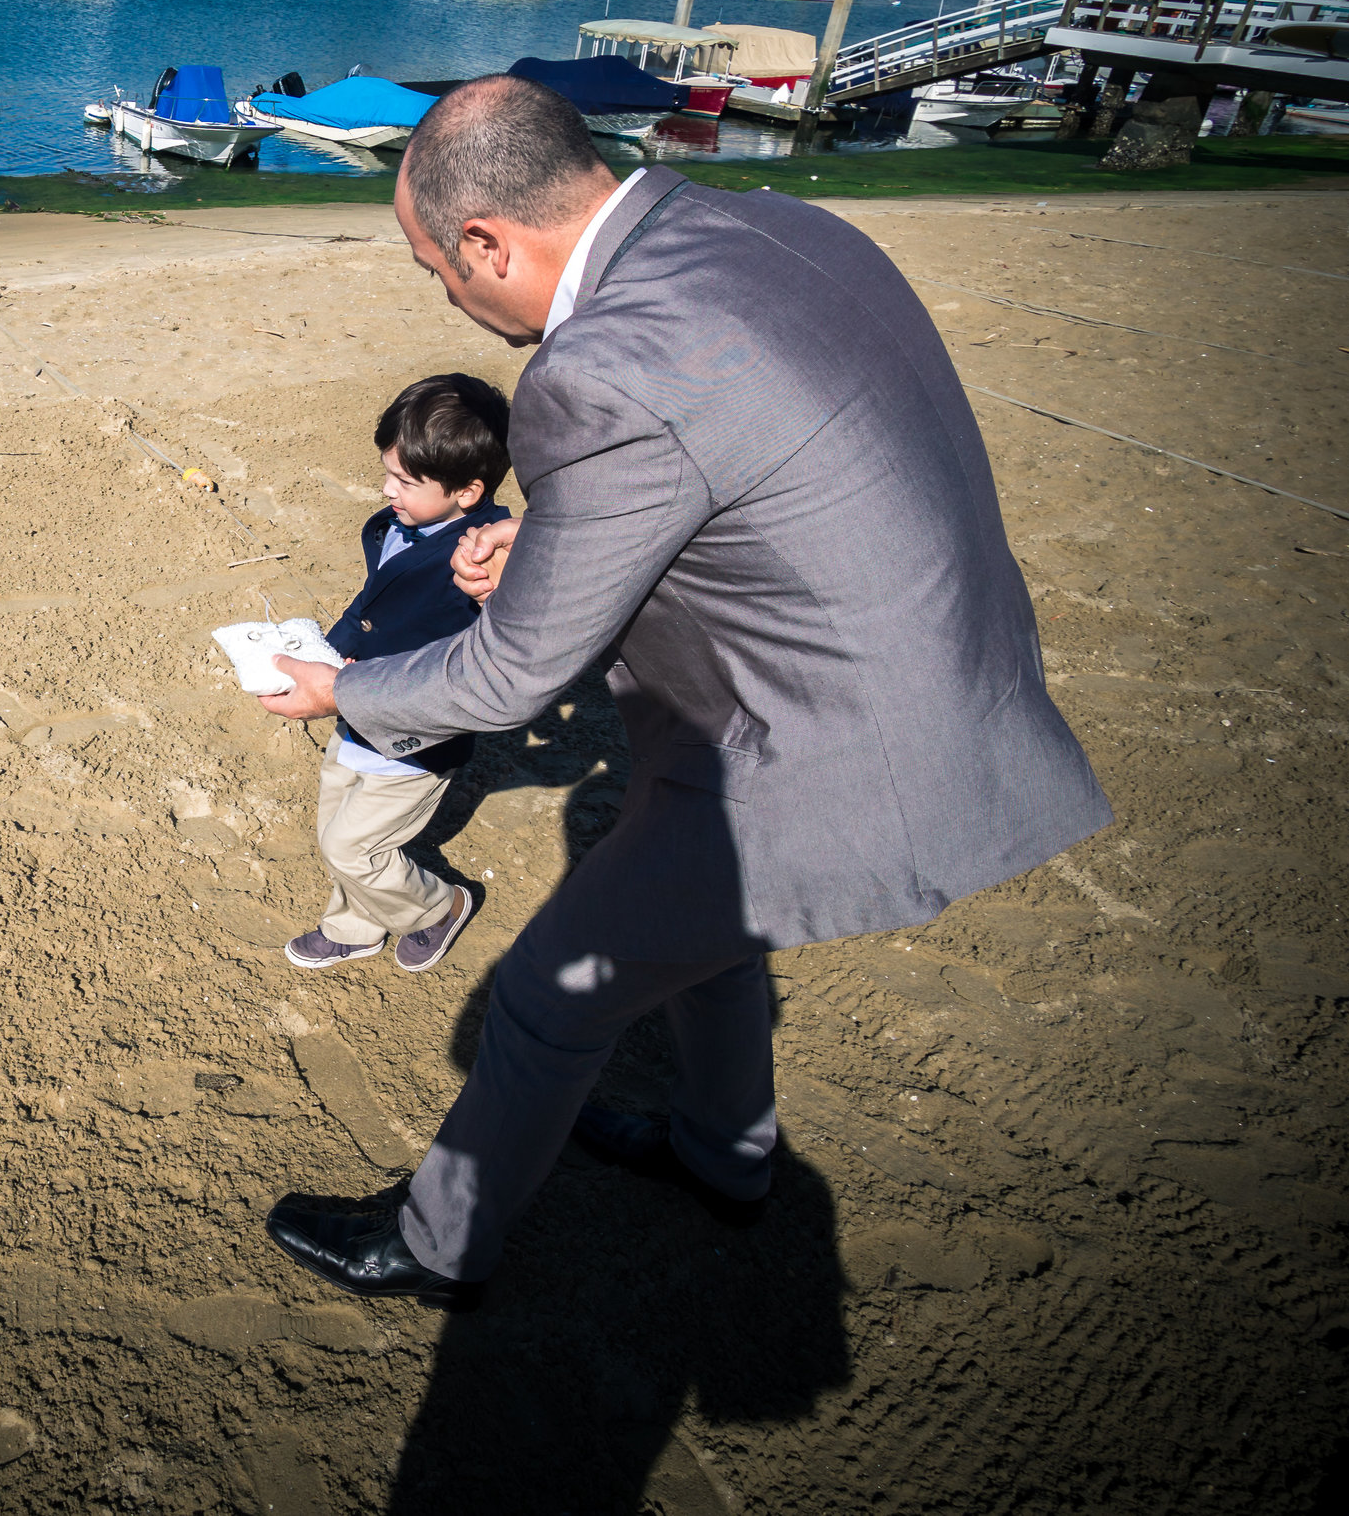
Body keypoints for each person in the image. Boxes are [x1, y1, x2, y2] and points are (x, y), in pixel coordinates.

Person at [254, 76, 1112, 1312]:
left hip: (820, 734)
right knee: (709, 949)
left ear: (487, 241)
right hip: (936, 662)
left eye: (436, 266)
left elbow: (512, 675)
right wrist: (545, 546)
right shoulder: (780, 223)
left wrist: (349, 689)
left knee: (549, 994)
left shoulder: (596, 368)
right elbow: (727, 454)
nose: (442, 291)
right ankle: (723, 1155)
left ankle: (440, 1245)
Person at [285, 374, 513, 975]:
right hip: (357, 706)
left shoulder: (488, 556)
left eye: (407, 482)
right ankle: (354, 927)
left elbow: (497, 641)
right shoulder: (398, 527)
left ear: (469, 491)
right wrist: (328, 656)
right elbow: (371, 605)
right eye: (388, 473)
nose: (388, 490)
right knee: (334, 823)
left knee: (352, 846)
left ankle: (439, 907)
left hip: (417, 732)